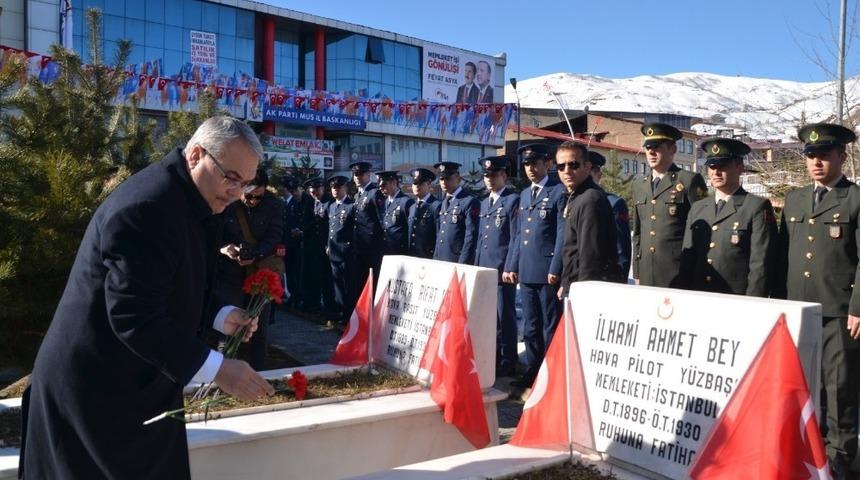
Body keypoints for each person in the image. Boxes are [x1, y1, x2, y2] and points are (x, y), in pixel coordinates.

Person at [19, 116, 274, 479]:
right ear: (197, 155)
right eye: (231, 178)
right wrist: (218, 370)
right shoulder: (149, 207)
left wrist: (220, 314)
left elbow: (173, 279)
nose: (237, 192)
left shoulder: (195, 198)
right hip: (94, 392)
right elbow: (132, 314)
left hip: (136, 384)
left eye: (246, 183)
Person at [777, 123, 860, 477]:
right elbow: (782, 256)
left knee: (838, 388)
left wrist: (858, 309)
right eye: (810, 155)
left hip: (839, 312)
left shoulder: (855, 198)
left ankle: (839, 460)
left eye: (824, 155)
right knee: (804, 386)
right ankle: (809, 451)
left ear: (842, 156)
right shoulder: (795, 199)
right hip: (799, 309)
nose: (816, 162)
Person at [679, 138, 777, 296]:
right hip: (699, 297)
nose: (716, 172)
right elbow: (688, 260)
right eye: (712, 166)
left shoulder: (755, 207)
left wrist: (754, 303)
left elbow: (760, 264)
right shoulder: (698, 208)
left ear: (739, 167)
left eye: (723, 166)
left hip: (736, 300)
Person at [503, 143, 566, 388]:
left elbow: (561, 233)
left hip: (547, 270)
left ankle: (551, 374)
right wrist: (512, 265)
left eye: (535, 163)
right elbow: (519, 234)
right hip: (528, 269)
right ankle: (533, 368)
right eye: (527, 164)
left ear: (547, 164)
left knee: (550, 324)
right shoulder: (525, 194)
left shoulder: (558, 191)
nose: (531, 168)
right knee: (530, 325)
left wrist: (556, 267)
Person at [217, 168, 285, 370]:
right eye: (249, 196)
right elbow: (214, 234)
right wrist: (225, 248)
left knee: (258, 327)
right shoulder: (229, 204)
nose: (253, 201)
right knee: (227, 324)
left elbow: (274, 236)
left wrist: (254, 254)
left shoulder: (274, 206)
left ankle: (259, 372)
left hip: (259, 274)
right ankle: (223, 370)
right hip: (230, 274)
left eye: (259, 197)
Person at [631, 123, 707, 287]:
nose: (651, 152)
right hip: (647, 272)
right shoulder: (639, 184)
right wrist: (637, 270)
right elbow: (638, 232)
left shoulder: (688, 180)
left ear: (672, 149)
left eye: (657, 147)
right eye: (648, 147)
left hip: (678, 271)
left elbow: (703, 230)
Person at [473, 156, 520, 378]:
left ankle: (509, 359)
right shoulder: (484, 202)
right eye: (486, 175)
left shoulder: (512, 200)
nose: (489, 179)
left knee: (505, 317)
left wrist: (510, 266)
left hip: (502, 269)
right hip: (485, 268)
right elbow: (481, 238)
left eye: (494, 175)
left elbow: (515, 237)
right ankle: (493, 356)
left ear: (504, 176)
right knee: (489, 318)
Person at [556, 142, 622, 298]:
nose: (567, 171)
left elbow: (590, 256)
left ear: (587, 166)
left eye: (573, 165)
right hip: (575, 284)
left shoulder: (590, 199)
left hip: (586, 289)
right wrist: (565, 283)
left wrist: (582, 295)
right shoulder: (577, 196)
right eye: (561, 166)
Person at [588, 151, 632, 279]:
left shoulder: (613, 203)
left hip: (602, 278)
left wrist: (619, 281)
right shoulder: (568, 201)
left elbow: (621, 250)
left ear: (599, 175)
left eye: (589, 172)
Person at [301, 177, 336, 319]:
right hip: (316, 246)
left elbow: (330, 228)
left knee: (328, 279)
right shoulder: (316, 203)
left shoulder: (329, 202)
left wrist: (328, 245)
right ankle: (319, 305)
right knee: (319, 277)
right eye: (311, 191)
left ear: (322, 188)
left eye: (315, 190)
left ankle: (331, 308)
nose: (313, 193)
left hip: (327, 246)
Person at [433, 161, 480, 264]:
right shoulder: (445, 201)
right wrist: (435, 259)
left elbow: (470, 237)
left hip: (457, 261)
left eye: (448, 178)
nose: (444, 182)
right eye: (441, 179)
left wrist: (463, 263)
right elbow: (440, 235)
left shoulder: (469, 201)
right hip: (441, 260)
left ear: (458, 178)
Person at [327, 175, 358, 324]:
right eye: (333, 187)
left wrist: (350, 248)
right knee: (337, 285)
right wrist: (328, 245)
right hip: (334, 251)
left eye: (338, 187)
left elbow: (355, 231)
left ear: (345, 188)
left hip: (346, 252)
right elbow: (331, 230)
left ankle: (348, 316)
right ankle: (340, 313)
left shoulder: (351, 206)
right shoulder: (332, 206)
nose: (335, 190)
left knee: (348, 287)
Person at [350, 161, 385, 289]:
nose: (358, 177)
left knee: (372, 282)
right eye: (355, 174)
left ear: (368, 174)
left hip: (372, 247)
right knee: (360, 281)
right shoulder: (357, 195)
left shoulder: (375, 193)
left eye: (361, 174)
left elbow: (382, 220)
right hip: (360, 246)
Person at [279, 175, 304, 309]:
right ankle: (293, 296)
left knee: (296, 271)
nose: (281, 189)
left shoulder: (296, 203)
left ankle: (297, 297)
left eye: (283, 187)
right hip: (286, 243)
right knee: (289, 271)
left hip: (296, 243)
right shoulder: (284, 203)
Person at [377, 170, 415, 256]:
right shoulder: (384, 202)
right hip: (386, 251)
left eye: (383, 184)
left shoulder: (406, 202)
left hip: (400, 252)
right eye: (379, 185)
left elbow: (410, 230)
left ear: (394, 183)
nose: (380, 188)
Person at [407, 167, 441, 258]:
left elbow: (438, 236)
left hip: (428, 257)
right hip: (413, 256)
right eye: (415, 183)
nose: (417, 186)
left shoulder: (436, 206)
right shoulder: (412, 207)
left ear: (429, 184)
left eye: (421, 183)